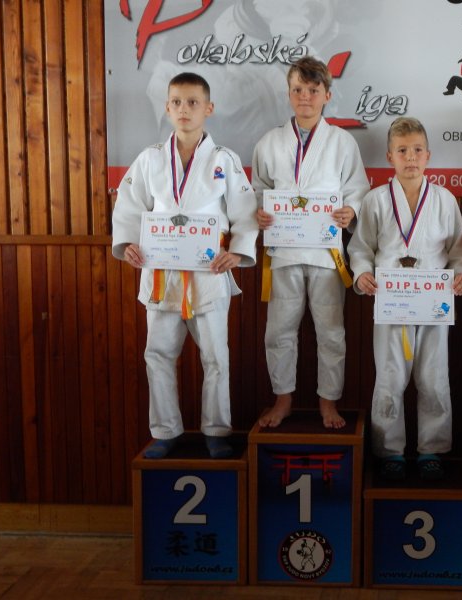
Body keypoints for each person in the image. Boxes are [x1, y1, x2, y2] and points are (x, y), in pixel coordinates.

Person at [112, 72, 259, 459]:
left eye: (193, 102)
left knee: (216, 356)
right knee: (157, 354)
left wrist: (238, 252)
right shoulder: (150, 159)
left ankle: (216, 431)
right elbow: (128, 207)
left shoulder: (224, 160)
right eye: (177, 102)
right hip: (161, 270)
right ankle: (164, 431)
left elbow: (245, 212)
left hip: (209, 271)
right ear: (167, 107)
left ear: (209, 108)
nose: (184, 109)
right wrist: (127, 243)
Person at [347, 117, 462, 481]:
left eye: (417, 150)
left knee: (434, 375)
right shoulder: (375, 200)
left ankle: (431, 448)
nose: (411, 157)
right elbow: (361, 249)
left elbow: (459, 251)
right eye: (402, 150)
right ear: (390, 156)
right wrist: (362, 274)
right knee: (390, 374)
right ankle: (390, 450)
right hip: (391, 301)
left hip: (434, 303)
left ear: (428, 155)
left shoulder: (444, 200)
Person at [252, 56, 369, 429]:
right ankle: (283, 399)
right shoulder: (270, 142)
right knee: (279, 330)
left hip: (327, 254)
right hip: (283, 250)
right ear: (288, 93)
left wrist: (351, 210)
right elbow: (258, 188)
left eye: (313, 90)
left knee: (331, 331)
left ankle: (328, 402)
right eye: (298, 89)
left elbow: (357, 188)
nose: (305, 96)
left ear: (327, 95)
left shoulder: (342, 142)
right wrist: (259, 211)